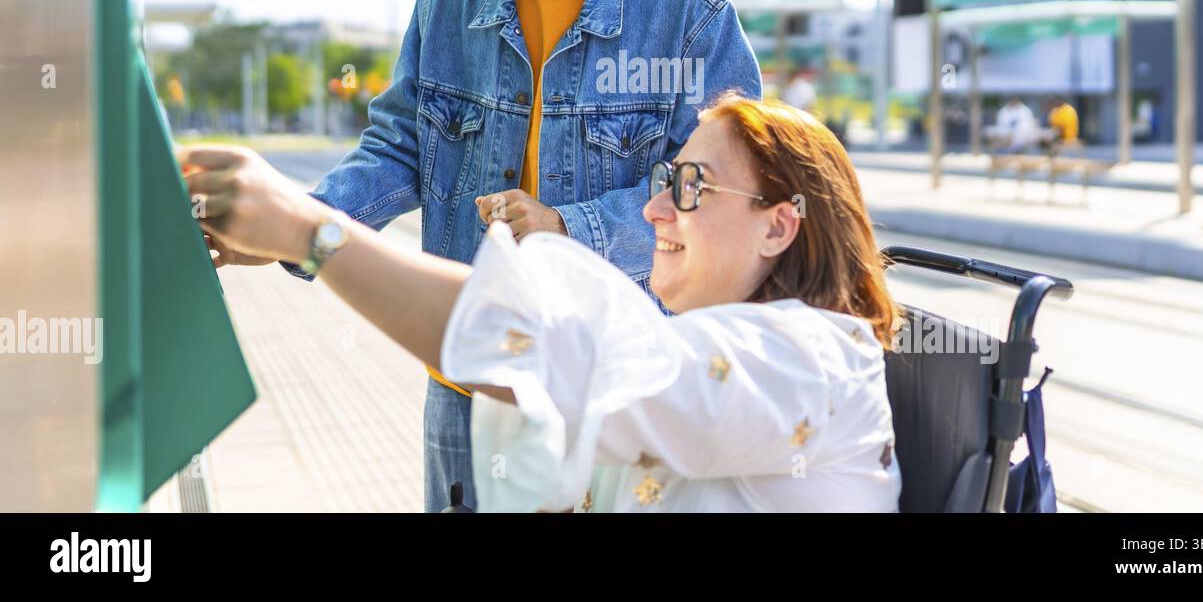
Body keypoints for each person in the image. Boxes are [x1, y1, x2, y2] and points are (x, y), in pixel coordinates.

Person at [207, 0, 762, 511]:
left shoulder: (684, 10)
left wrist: (571, 226)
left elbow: (725, 194)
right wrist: (292, 228)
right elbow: (399, 150)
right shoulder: (447, 3)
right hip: (469, 380)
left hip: (615, 386)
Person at [183, 94, 902, 512]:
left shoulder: (807, 357)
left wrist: (312, 232)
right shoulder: (730, 346)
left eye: (690, 186)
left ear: (779, 223)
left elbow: (557, 355)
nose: (653, 210)